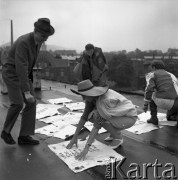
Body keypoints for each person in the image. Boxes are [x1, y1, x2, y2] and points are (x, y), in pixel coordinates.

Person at [1, 18, 55, 145]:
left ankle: (24, 136)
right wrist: (26, 91)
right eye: (43, 36)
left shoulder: (38, 41)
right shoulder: (24, 42)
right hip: (12, 74)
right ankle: (5, 132)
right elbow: (21, 67)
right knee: (18, 103)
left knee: (31, 102)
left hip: (23, 75)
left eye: (47, 36)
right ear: (35, 31)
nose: (45, 39)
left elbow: (28, 66)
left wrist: (28, 87)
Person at [66, 79, 137, 160]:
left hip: (129, 118)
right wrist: (74, 137)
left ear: (90, 93)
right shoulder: (92, 99)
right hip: (120, 116)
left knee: (97, 116)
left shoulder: (103, 102)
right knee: (92, 116)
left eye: (84, 96)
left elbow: (97, 126)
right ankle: (114, 133)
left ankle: (118, 137)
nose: (83, 98)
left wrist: (86, 148)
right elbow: (84, 117)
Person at [143, 60, 178, 127]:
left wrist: (145, 105)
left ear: (153, 67)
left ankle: (154, 118)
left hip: (163, 101)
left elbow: (149, 89)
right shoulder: (171, 75)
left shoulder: (152, 74)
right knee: (170, 117)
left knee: (151, 94)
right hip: (176, 103)